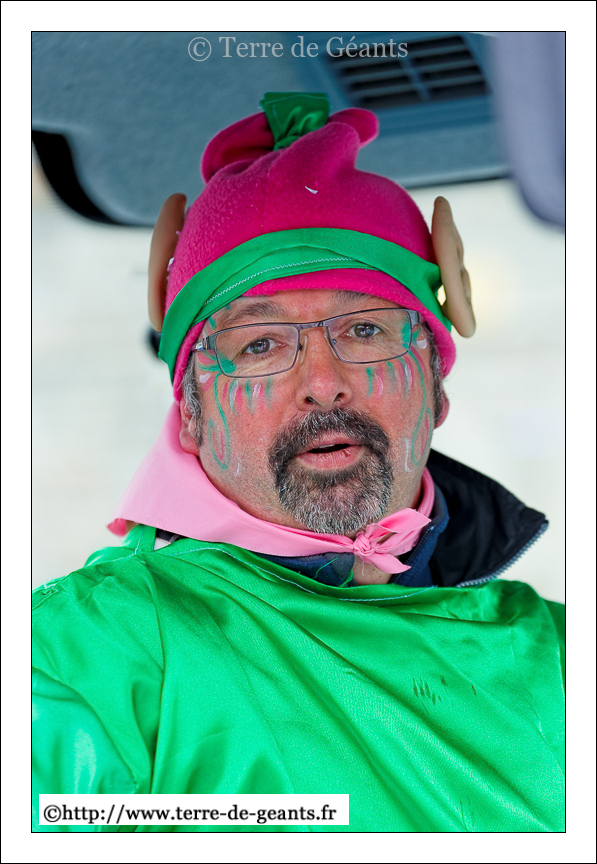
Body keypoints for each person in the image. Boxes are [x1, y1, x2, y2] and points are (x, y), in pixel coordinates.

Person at [32, 93, 564, 833]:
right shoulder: (82, 658)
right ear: (190, 412)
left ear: (436, 385)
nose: (322, 381)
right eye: (259, 344)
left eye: (366, 329)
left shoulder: (559, 657)